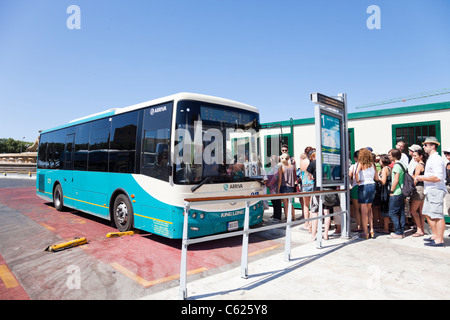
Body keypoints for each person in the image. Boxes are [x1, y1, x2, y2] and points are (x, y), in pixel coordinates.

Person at [416, 137, 447, 247]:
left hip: (436, 189)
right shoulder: (432, 158)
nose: (423, 147)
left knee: (437, 216)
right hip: (431, 190)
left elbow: (438, 177)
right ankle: (435, 236)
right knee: (428, 214)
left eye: (425, 145)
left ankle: (440, 240)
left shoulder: (436, 159)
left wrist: (421, 178)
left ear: (432, 146)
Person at [355, 148, 379, 239]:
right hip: (372, 186)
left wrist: (358, 181)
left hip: (363, 186)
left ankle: (365, 232)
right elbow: (376, 178)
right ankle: (371, 230)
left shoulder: (361, 163)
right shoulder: (373, 164)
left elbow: (356, 173)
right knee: (369, 210)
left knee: (364, 211)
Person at [387, 148, 406, 239]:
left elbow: (396, 180)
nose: (388, 156)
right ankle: (401, 231)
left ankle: (398, 232)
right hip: (402, 191)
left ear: (394, 156)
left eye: (390, 155)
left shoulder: (396, 166)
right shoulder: (403, 164)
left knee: (392, 213)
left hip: (396, 192)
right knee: (401, 212)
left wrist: (391, 191)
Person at [410, 149, 427, 237]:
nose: (414, 157)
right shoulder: (424, 164)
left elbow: (415, 179)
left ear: (420, 156)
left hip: (418, 189)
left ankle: (419, 229)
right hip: (423, 188)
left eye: (415, 156)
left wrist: (410, 188)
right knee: (421, 211)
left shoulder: (418, 165)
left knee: (413, 210)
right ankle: (422, 229)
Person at [299, 147, 314, 231]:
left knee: (305, 205)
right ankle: (311, 224)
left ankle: (306, 223)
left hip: (304, 184)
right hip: (312, 183)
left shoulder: (302, 162)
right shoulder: (311, 162)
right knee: (312, 206)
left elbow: (302, 172)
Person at [278, 153, 296, 222]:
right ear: (288, 159)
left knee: (285, 204)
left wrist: (278, 189)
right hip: (291, 186)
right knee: (290, 203)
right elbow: (294, 177)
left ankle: (287, 219)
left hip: (284, 186)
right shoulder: (292, 166)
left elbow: (280, 179)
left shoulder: (281, 167)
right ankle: (293, 217)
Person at [265, 155, 282, 223]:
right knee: (274, 202)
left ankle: (277, 217)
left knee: (276, 202)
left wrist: (268, 184)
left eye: (271, 160)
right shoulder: (274, 167)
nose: (270, 161)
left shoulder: (276, 167)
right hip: (272, 188)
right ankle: (275, 216)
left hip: (274, 188)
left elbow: (276, 177)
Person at [378, 154, 392, 234]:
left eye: (380, 160)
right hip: (389, 190)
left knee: (385, 209)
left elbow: (383, 182)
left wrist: (378, 177)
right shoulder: (389, 168)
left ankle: (385, 228)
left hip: (385, 191)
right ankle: (392, 227)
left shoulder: (384, 169)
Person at [349, 150, 362, 232]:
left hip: (355, 187)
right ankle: (367, 225)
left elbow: (349, 176)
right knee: (366, 209)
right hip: (365, 187)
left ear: (355, 158)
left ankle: (359, 226)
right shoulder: (367, 165)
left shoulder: (353, 166)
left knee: (356, 209)